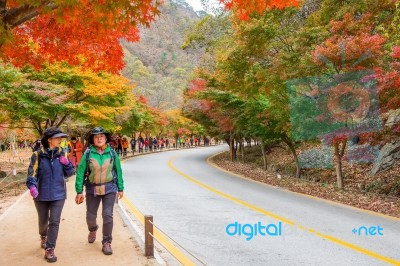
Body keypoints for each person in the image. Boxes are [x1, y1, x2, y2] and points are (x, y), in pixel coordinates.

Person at [26, 127, 75, 263]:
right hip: (40, 195)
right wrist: (32, 186)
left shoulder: (62, 153)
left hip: (58, 194)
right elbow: (32, 173)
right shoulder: (37, 155)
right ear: (49, 140)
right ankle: (43, 235)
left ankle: (50, 249)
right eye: (57, 137)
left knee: (54, 221)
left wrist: (67, 164)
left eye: (61, 137)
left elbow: (70, 172)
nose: (60, 140)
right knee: (43, 221)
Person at [75, 127, 124, 255]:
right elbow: (80, 172)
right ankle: (92, 229)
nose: (99, 138)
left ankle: (107, 242)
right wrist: (79, 190)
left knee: (107, 215)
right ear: (93, 139)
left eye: (101, 136)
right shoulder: (88, 154)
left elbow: (118, 171)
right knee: (90, 216)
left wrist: (120, 188)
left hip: (109, 188)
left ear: (106, 138)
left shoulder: (112, 153)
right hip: (92, 189)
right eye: (96, 137)